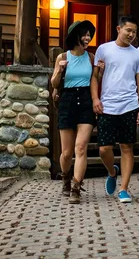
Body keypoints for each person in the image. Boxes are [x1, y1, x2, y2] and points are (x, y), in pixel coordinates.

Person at [91, 15, 139, 204]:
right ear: (118, 29)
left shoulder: (138, 54)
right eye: (128, 30)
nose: (131, 34)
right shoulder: (104, 49)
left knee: (127, 147)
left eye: (134, 32)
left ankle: (124, 189)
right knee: (104, 149)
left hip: (129, 105)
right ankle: (112, 172)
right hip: (107, 105)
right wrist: (95, 98)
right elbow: (94, 77)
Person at [50, 20, 98, 204]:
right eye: (84, 34)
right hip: (67, 101)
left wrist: (99, 71)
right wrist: (60, 70)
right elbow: (54, 84)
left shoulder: (91, 57)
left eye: (89, 35)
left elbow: (95, 80)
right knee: (67, 152)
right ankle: (65, 179)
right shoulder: (63, 56)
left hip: (85, 99)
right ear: (75, 36)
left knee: (80, 147)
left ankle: (76, 187)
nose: (87, 38)